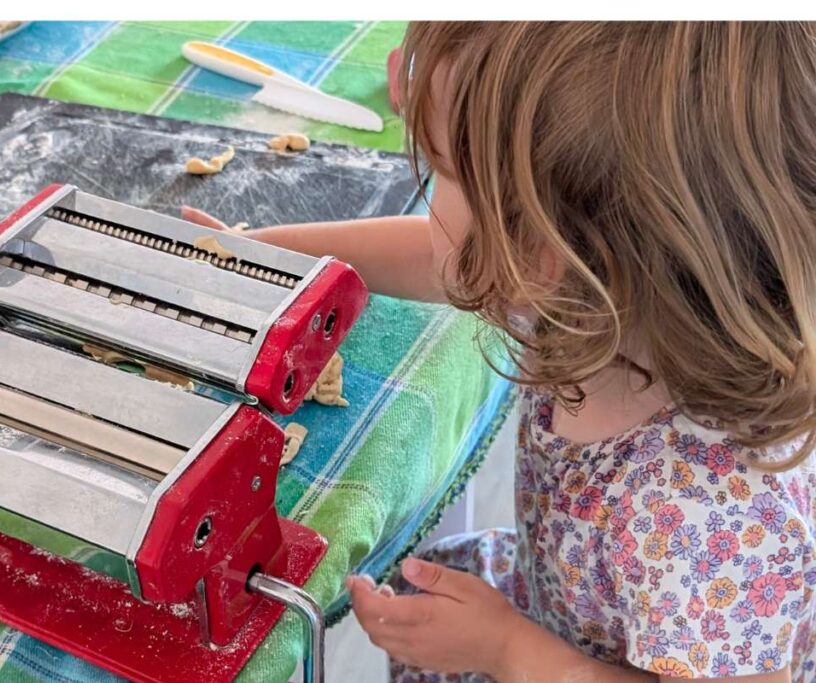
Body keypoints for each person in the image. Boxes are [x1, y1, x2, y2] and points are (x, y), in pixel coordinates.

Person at [183, 21, 816, 682]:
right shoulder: (599, 293)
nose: (430, 201)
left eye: (445, 175)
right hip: (556, 607)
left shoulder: (709, 514)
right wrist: (270, 256)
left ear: (536, 249)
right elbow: (440, 258)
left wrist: (507, 650)